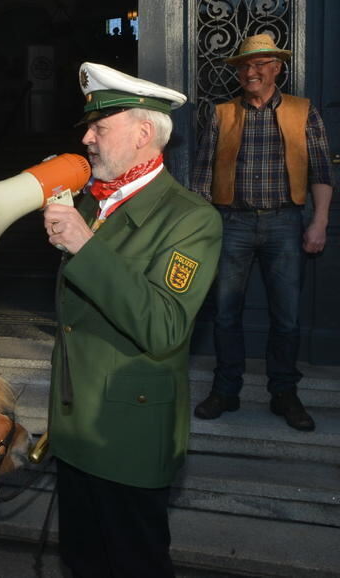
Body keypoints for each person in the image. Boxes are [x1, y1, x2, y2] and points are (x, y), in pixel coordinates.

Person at [43, 62, 222, 577]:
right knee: (83, 563)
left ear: (144, 133)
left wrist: (83, 244)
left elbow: (164, 326)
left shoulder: (191, 218)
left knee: (133, 564)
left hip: (129, 435)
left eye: (100, 127)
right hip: (77, 428)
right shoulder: (94, 203)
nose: (87, 137)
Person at [191, 33, 334, 432]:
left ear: (277, 68)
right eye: (244, 66)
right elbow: (201, 180)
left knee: (286, 318)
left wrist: (319, 221)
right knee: (225, 314)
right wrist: (200, 232)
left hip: (285, 223)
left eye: (259, 65)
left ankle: (284, 393)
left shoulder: (304, 112)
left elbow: (322, 172)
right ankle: (226, 389)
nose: (250, 72)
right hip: (230, 224)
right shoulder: (221, 114)